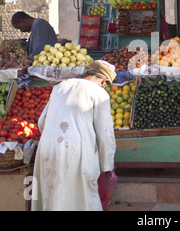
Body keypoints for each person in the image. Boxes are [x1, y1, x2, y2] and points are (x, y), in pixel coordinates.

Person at [31, 60, 117, 211]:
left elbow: (42, 122)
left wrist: (55, 136)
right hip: (76, 150)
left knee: (52, 194)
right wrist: (107, 165)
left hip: (47, 146)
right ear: (104, 80)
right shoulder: (99, 93)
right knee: (81, 198)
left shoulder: (59, 87)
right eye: (106, 84)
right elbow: (105, 133)